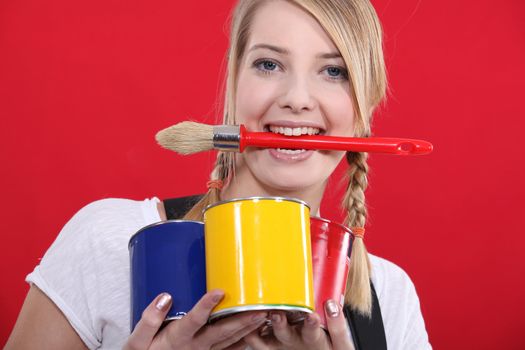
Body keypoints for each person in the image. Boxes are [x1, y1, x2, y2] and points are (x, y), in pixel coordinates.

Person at [6, 0, 432, 349]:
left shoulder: (390, 298)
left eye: (333, 71)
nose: (297, 99)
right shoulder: (109, 242)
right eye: (269, 65)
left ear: (364, 110)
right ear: (233, 85)